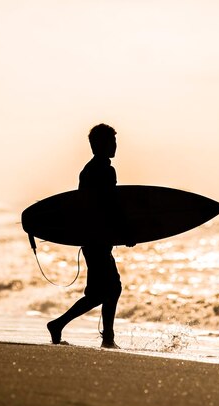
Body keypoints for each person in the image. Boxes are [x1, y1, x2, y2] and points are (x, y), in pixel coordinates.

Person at [47, 123, 133, 349]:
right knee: (111, 289)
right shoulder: (104, 170)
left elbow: (86, 208)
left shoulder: (88, 170)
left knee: (99, 293)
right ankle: (107, 338)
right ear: (102, 144)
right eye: (112, 142)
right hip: (97, 240)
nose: (115, 146)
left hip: (91, 238)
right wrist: (126, 232)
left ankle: (60, 325)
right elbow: (110, 206)